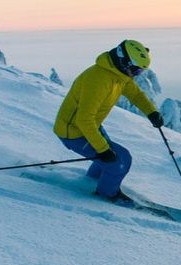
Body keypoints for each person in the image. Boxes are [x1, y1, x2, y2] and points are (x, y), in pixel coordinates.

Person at [53, 39, 164, 201]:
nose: (135, 74)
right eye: (135, 70)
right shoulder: (98, 80)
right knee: (121, 161)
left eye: (139, 72)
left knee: (110, 155)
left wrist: (151, 112)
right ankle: (107, 195)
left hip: (87, 126)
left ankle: (91, 181)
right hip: (72, 131)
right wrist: (102, 149)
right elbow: (84, 119)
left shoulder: (119, 74)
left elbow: (135, 94)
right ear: (123, 60)